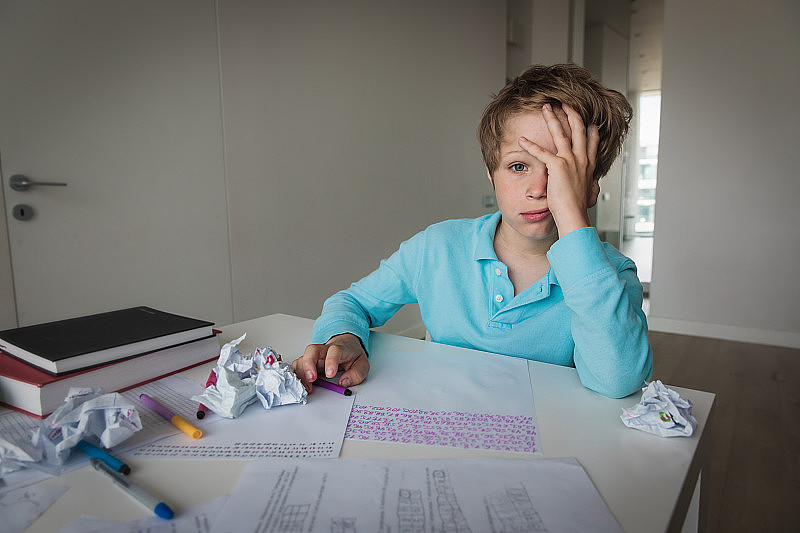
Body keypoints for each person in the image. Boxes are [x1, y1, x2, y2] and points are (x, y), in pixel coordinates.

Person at [292, 64, 653, 399]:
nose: (539, 187)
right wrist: (345, 337)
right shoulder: (437, 248)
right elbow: (352, 302)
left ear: (592, 184)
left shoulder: (612, 276)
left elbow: (616, 380)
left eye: (562, 170)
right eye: (518, 166)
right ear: (490, 172)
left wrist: (574, 220)